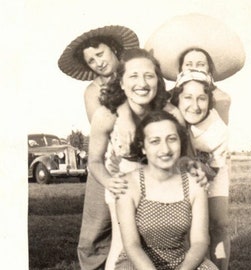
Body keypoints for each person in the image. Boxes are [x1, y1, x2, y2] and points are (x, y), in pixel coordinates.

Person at [87, 48, 208, 269]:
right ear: (121, 82)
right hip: (123, 181)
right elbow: (93, 161)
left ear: (158, 81)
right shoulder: (106, 115)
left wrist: (193, 166)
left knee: (179, 238)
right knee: (121, 244)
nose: (142, 83)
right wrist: (108, 182)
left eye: (149, 76)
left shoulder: (170, 114)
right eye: (133, 76)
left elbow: (184, 156)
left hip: (163, 181)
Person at [144, 14, 246, 269]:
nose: (194, 67)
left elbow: (213, 151)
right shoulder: (170, 104)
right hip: (181, 167)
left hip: (213, 162)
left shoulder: (219, 101)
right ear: (179, 70)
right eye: (189, 63)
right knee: (188, 223)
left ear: (210, 71)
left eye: (201, 63)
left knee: (219, 222)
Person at [58, 25, 140, 270]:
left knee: (136, 224)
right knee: (95, 230)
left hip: (139, 158)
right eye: (91, 61)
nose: (98, 62)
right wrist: (125, 112)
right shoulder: (92, 91)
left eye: (100, 54)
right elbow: (102, 126)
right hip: (104, 160)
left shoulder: (136, 76)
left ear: (113, 49)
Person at [113, 110, 218, 270]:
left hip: (181, 263)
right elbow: (132, 245)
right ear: (143, 147)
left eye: (172, 139)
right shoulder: (128, 184)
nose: (165, 149)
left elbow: (200, 241)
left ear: (181, 143)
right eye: (155, 141)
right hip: (137, 264)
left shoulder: (195, 184)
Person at [171, 69, 231, 270]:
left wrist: (195, 168)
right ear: (177, 99)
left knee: (218, 223)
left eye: (201, 98)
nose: (195, 106)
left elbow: (214, 170)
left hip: (210, 173)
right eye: (187, 97)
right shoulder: (169, 118)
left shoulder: (217, 129)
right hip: (179, 175)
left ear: (209, 100)